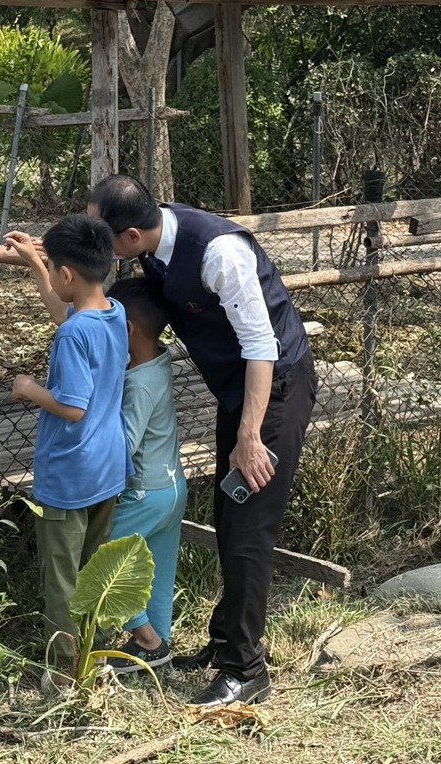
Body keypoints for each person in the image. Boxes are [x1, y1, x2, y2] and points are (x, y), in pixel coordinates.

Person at [85, 174, 317, 707]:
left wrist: (251, 437)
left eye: (104, 239)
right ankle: (224, 643)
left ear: (132, 238)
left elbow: (263, 348)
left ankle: (245, 670)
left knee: (248, 526)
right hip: (238, 392)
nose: (100, 250)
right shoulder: (153, 234)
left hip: (273, 387)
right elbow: (75, 262)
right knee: (228, 514)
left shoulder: (219, 253)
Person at [3, 215, 131, 691]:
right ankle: (93, 658)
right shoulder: (112, 313)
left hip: (68, 475)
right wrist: (36, 263)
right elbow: (65, 312)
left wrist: (29, 388)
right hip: (106, 469)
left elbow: (72, 407)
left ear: (69, 275)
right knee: (94, 572)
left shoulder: (73, 335)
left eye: (54, 269)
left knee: (61, 580)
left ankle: (62, 673)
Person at [101, 276, 188, 675]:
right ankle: (159, 646)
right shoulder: (158, 363)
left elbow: (124, 445)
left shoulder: (137, 384)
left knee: (100, 558)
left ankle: (145, 637)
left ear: (127, 329)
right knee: (159, 570)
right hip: (173, 487)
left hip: (143, 492)